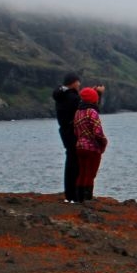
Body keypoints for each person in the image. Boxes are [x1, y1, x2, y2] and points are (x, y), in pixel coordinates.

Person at [71, 86, 108, 203]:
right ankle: (88, 197)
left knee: (82, 172)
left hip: (80, 146)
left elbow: (75, 131)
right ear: (94, 99)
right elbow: (98, 132)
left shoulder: (78, 112)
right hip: (92, 148)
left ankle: (79, 197)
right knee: (90, 174)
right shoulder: (92, 112)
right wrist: (103, 142)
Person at [52, 73, 82, 202]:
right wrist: (98, 95)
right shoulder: (72, 97)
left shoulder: (60, 95)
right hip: (72, 132)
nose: (79, 85)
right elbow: (87, 110)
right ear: (73, 82)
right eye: (78, 82)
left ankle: (70, 194)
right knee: (74, 163)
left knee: (70, 161)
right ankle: (74, 194)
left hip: (64, 130)